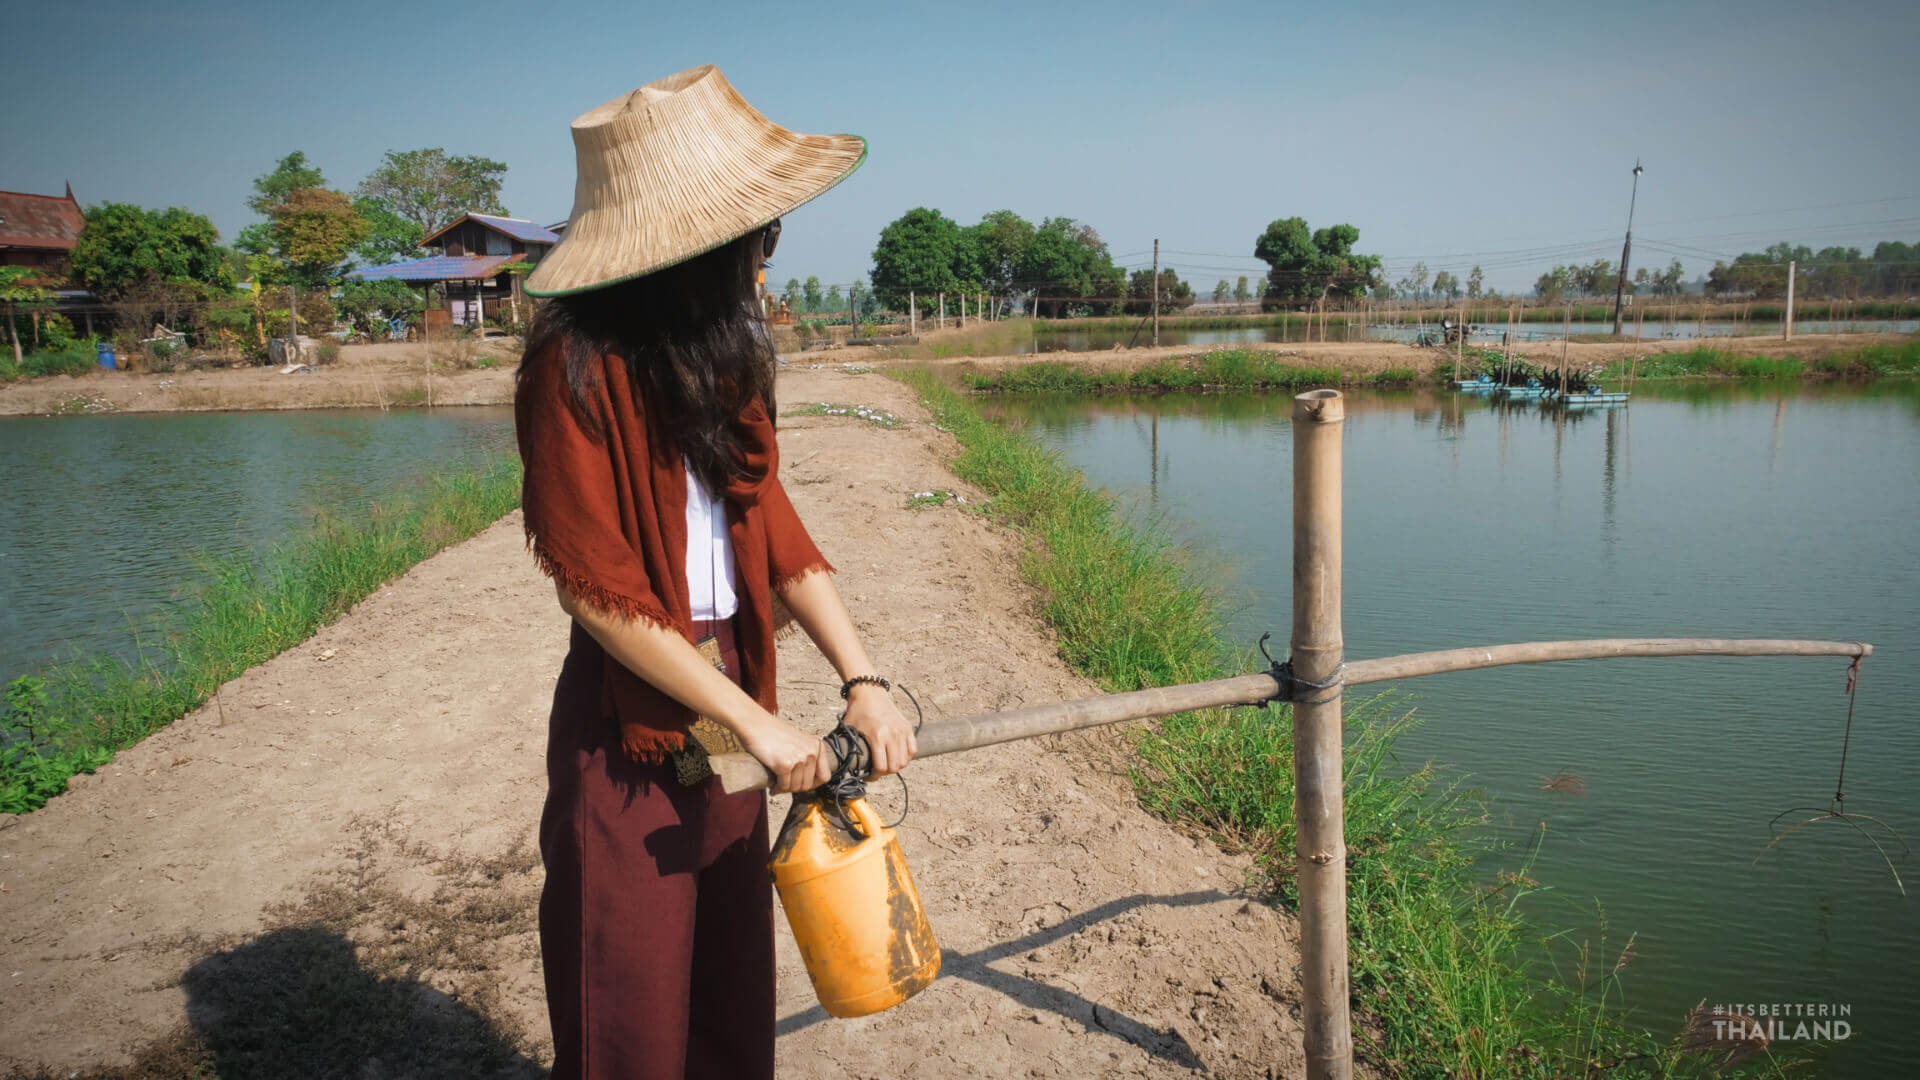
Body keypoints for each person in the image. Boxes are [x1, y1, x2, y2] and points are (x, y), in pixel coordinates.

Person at [513, 65, 911, 1080]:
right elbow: (595, 589)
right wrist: (753, 722)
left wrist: (860, 679)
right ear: (692, 251)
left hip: (732, 707)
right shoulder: (575, 375)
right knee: (629, 1011)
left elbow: (773, 527)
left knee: (730, 994)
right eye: (757, 240)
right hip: (634, 724)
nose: (765, 261)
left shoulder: (723, 362)